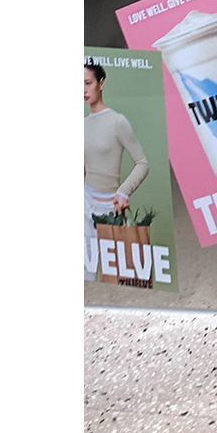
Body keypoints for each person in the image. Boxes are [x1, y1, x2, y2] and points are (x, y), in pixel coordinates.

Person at [84, 56, 148, 276]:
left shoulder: (117, 121)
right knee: (85, 271)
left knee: (119, 274)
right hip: (84, 202)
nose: (83, 90)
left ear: (101, 83)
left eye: (88, 83)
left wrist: (124, 191)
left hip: (109, 207)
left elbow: (142, 163)